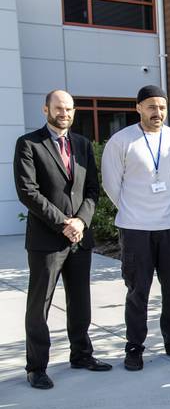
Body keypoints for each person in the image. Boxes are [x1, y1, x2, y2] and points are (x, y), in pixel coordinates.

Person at [13, 90, 112, 389]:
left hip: (79, 238)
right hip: (47, 239)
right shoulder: (29, 144)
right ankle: (37, 367)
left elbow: (92, 189)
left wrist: (81, 221)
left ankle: (81, 354)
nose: (64, 113)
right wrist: (63, 223)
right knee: (39, 304)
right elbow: (28, 191)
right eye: (58, 108)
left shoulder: (81, 144)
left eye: (69, 109)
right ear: (46, 109)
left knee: (80, 300)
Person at [101, 85, 170, 371]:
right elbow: (111, 184)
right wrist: (134, 210)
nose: (158, 112)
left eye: (162, 107)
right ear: (138, 108)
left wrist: (163, 208)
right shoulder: (121, 141)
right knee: (137, 290)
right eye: (152, 107)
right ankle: (134, 346)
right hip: (135, 229)